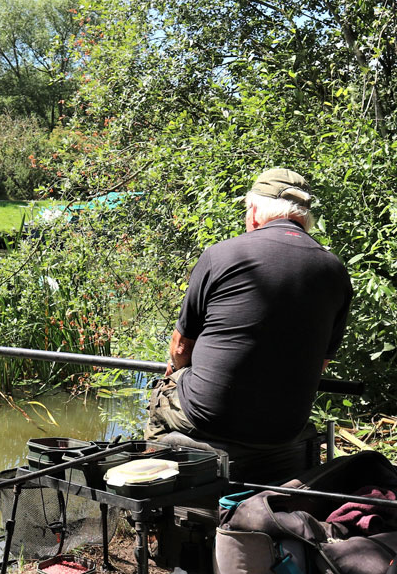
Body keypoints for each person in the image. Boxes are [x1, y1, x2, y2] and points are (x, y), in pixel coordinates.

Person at [145, 168, 352, 445]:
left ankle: (152, 470)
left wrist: (178, 371)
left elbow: (181, 348)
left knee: (162, 394)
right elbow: (322, 363)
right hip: (287, 424)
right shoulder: (335, 270)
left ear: (254, 209)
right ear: (305, 218)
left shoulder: (221, 254)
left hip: (211, 416)